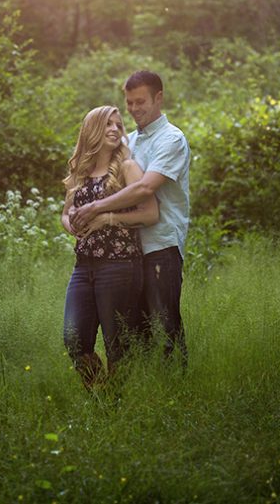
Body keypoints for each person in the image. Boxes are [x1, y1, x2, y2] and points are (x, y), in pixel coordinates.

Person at [70, 71, 191, 363]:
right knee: (135, 333)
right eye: (130, 103)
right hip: (127, 254)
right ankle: (141, 391)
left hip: (160, 246)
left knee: (165, 326)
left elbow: (145, 187)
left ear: (158, 98)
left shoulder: (172, 139)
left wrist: (98, 210)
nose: (135, 109)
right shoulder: (129, 141)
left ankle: (176, 387)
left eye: (141, 102)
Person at [60, 105, 159, 388]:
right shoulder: (81, 172)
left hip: (120, 265)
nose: (115, 129)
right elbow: (65, 214)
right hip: (83, 267)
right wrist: (72, 226)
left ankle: (115, 407)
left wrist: (106, 218)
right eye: (108, 124)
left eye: (119, 125)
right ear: (92, 129)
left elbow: (150, 213)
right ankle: (100, 394)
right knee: (74, 339)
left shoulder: (127, 168)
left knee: (118, 346)